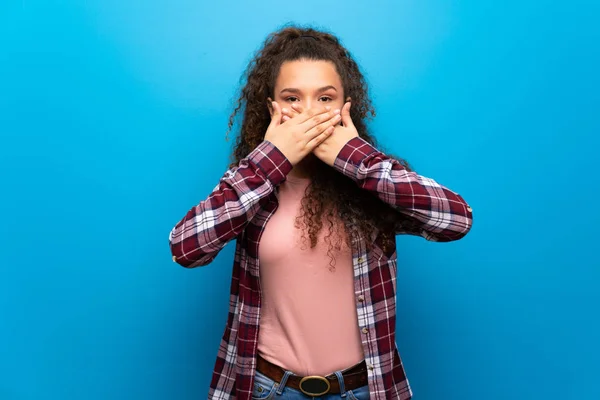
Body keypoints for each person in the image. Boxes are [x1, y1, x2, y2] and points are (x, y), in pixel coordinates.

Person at [169, 24, 473, 400]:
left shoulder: (374, 182)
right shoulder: (250, 183)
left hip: (363, 390)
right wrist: (271, 159)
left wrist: (357, 160)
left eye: (325, 99)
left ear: (347, 107)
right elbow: (186, 248)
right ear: (271, 109)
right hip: (267, 389)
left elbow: (456, 219)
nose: (309, 112)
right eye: (292, 98)